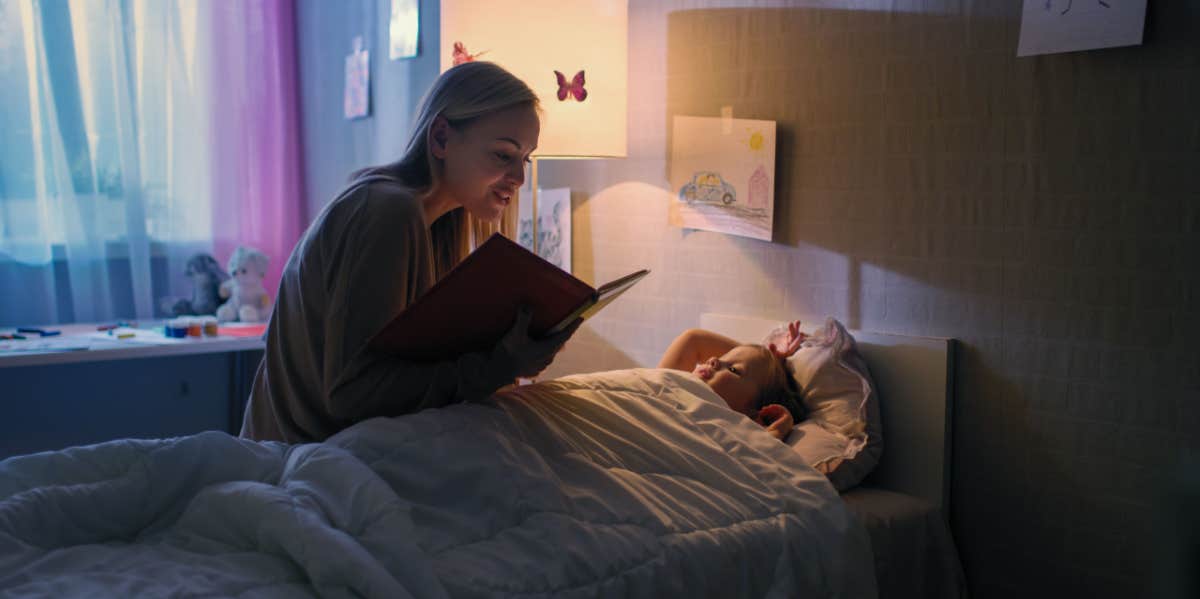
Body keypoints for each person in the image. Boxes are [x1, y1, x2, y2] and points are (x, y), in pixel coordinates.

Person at [241, 62, 580, 443]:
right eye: (503, 155)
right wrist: (499, 366)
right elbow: (353, 394)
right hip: (299, 462)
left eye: (525, 159)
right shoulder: (385, 212)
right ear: (440, 139)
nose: (519, 177)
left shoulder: (431, 225)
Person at [658, 321, 807, 441]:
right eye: (723, 358)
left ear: (755, 415)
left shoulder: (728, 437)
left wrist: (777, 431)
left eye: (733, 369)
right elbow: (693, 338)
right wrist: (770, 361)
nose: (713, 359)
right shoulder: (665, 388)